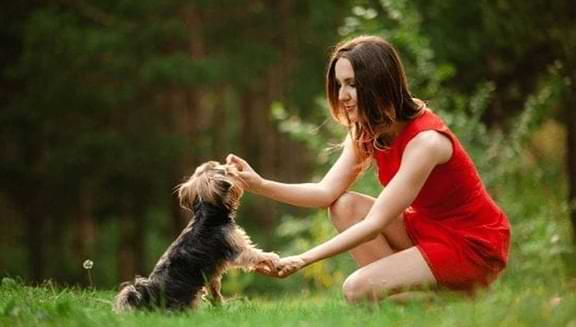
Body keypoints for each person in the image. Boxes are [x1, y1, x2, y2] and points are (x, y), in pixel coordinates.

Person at [226, 35, 510, 303]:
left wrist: (302, 259)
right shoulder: (369, 131)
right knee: (343, 205)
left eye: (352, 83)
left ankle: (451, 302)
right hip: (428, 230)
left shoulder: (426, 142)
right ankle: (411, 302)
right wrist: (259, 184)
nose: (343, 95)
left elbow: (374, 223)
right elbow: (325, 192)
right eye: (339, 85)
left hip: (470, 245)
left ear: (379, 83)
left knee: (356, 289)